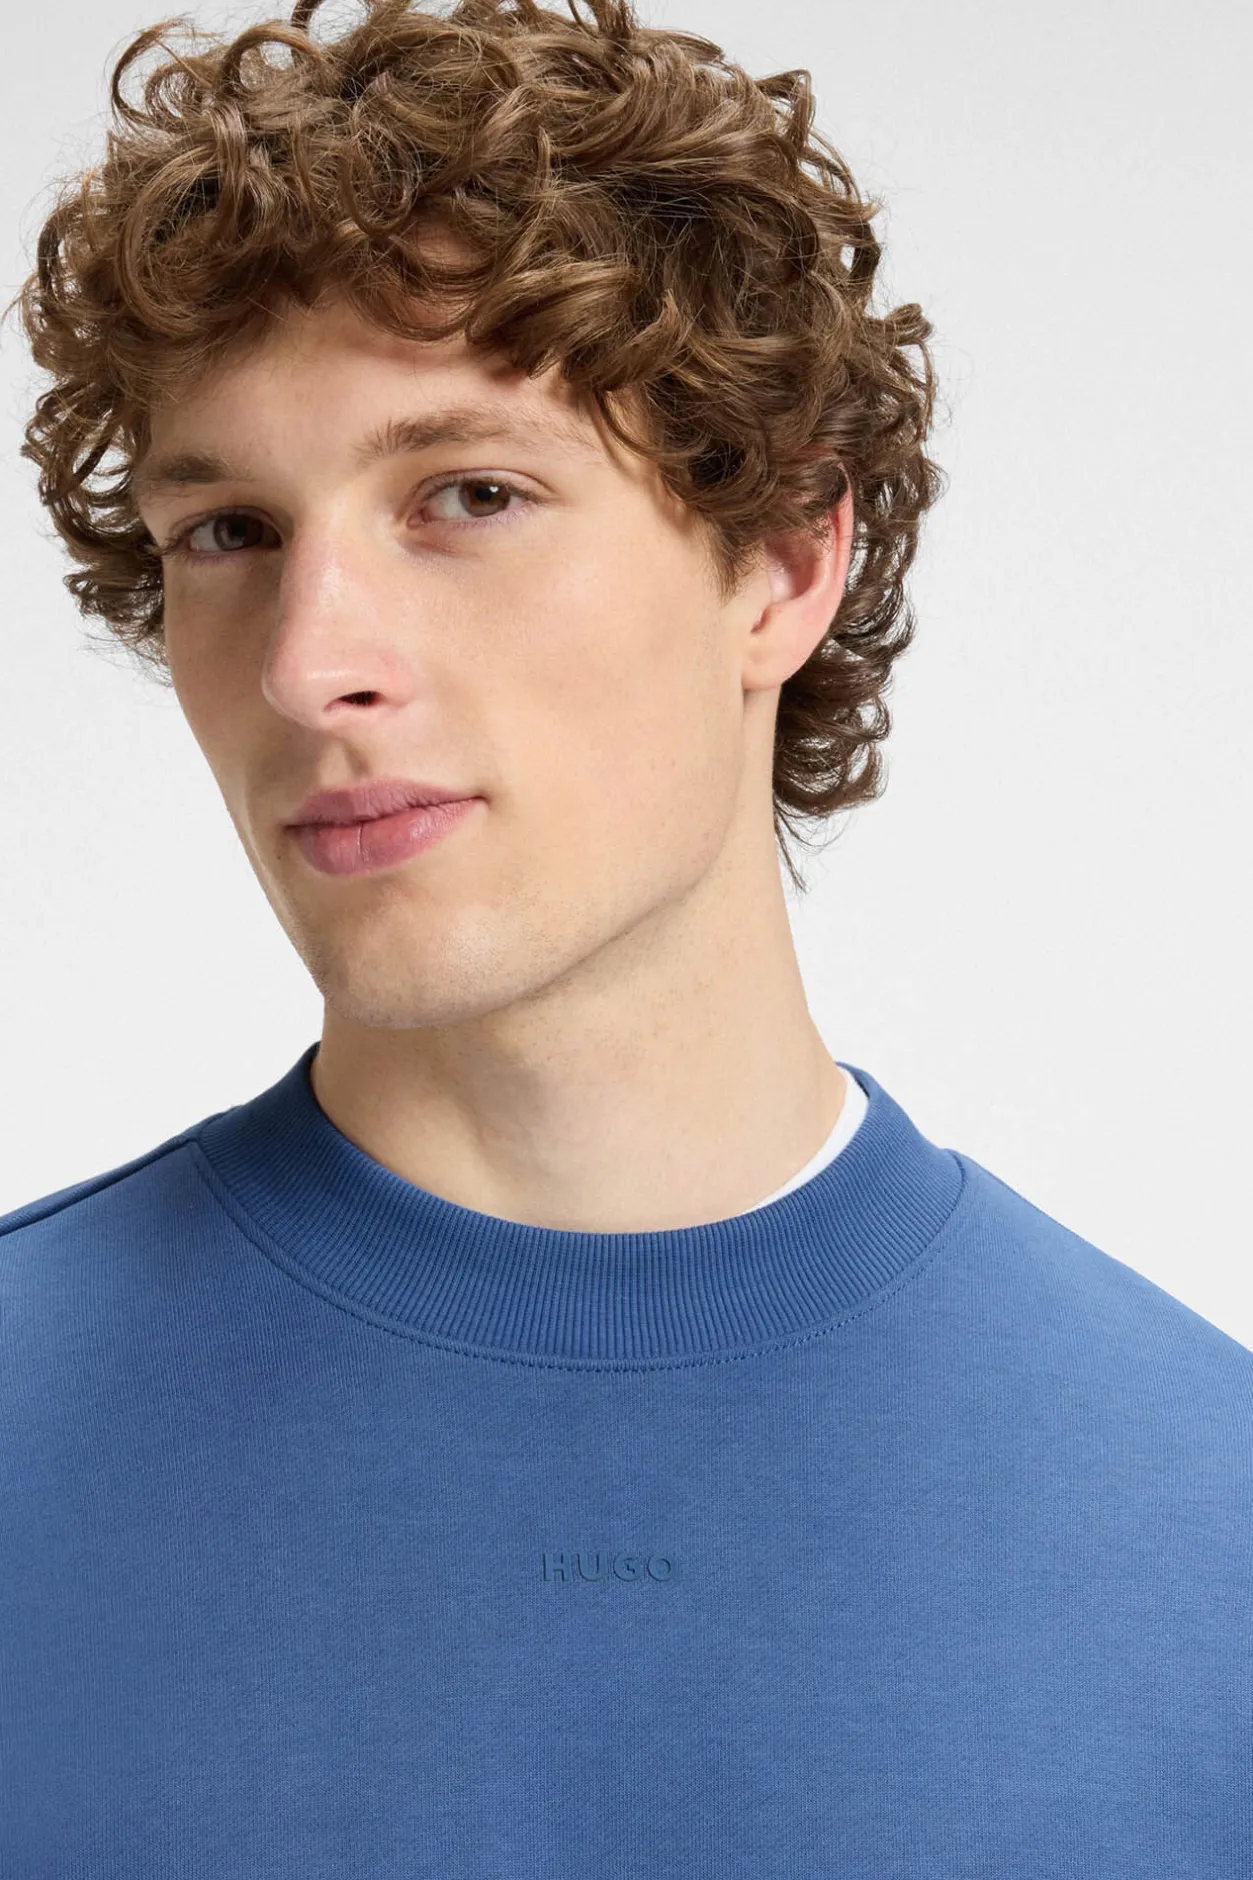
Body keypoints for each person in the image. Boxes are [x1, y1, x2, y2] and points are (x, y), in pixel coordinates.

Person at [2, 0, 1249, 1870]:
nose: (311, 663)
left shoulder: (1210, 1542)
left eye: (470, 497)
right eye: (231, 532)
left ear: (785, 564)